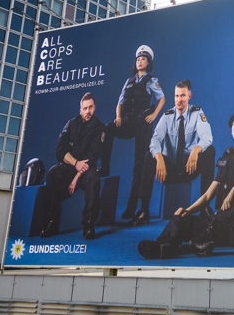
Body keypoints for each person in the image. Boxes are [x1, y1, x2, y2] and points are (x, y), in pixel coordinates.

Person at [137, 107, 234, 259]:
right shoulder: (227, 155)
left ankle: (206, 238)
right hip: (219, 226)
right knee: (181, 217)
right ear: (231, 129)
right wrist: (188, 210)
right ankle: (163, 246)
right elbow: (207, 195)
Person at [129, 79, 216, 226]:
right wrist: (159, 158)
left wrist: (196, 149)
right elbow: (155, 140)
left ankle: (205, 208)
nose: (178, 100)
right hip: (168, 171)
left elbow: (207, 137)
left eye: (182, 96)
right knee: (148, 156)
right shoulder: (167, 116)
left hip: (190, 168)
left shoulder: (197, 113)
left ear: (189, 96)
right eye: (176, 96)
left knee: (209, 151)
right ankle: (144, 210)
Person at [99, 45, 165, 221]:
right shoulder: (128, 81)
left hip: (143, 124)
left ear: (148, 62)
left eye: (143, 59)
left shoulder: (151, 80)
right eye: (137, 59)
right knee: (108, 129)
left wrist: (153, 115)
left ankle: (135, 208)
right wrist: (118, 117)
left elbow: (162, 98)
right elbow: (120, 102)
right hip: (128, 123)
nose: (139, 61)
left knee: (140, 166)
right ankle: (104, 166)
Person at [40, 92, 106, 240]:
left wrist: (75, 179)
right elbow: (60, 151)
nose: (87, 111)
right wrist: (75, 163)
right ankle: (52, 221)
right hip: (70, 167)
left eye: (90, 108)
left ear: (94, 108)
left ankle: (89, 223)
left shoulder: (100, 128)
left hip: (85, 171)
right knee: (52, 173)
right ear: (80, 110)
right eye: (84, 108)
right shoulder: (71, 124)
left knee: (94, 177)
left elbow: (92, 158)